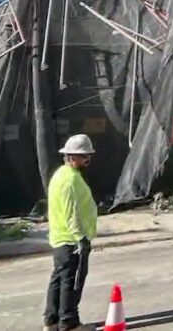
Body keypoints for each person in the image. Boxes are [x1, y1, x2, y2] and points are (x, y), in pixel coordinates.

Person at [44, 134, 98, 331]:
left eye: (89, 156)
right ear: (72, 157)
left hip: (62, 239)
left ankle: (51, 321)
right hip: (70, 241)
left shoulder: (63, 175)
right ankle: (69, 323)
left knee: (59, 279)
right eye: (85, 156)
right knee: (71, 282)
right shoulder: (69, 181)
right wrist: (81, 239)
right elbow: (70, 214)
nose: (88, 160)